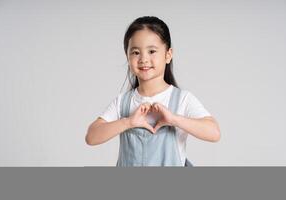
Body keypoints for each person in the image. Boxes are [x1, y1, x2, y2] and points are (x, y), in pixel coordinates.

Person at [85, 16, 221, 166]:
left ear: (168, 55)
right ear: (127, 56)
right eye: (135, 52)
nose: (143, 59)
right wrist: (128, 122)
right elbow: (91, 137)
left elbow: (214, 132)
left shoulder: (182, 99)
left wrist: (174, 119)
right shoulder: (123, 102)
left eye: (152, 51)